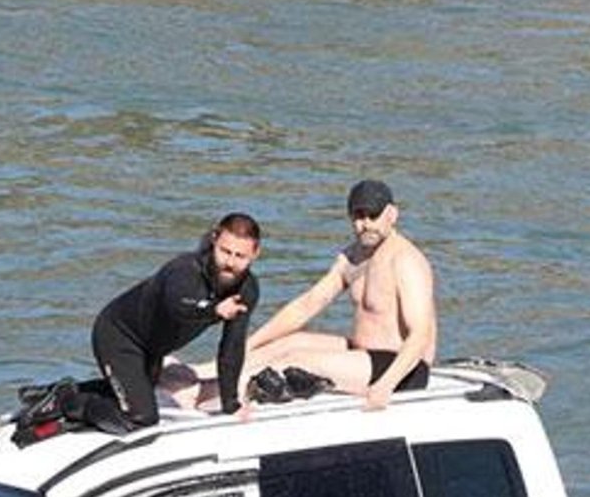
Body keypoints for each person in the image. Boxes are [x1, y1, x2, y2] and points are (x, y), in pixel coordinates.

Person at [243, 180, 435, 410]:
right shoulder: (352, 257)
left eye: (372, 216)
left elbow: (420, 334)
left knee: (294, 361)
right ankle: (205, 377)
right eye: (358, 216)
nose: (365, 225)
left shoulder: (405, 260)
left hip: (403, 369)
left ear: (392, 214)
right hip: (361, 356)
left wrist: (385, 385)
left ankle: (225, 396)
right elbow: (308, 304)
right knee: (285, 345)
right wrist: (248, 344)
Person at [70, 212, 261, 432]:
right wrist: (214, 310)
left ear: (255, 254)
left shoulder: (248, 289)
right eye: (225, 251)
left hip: (152, 350)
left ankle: (64, 391)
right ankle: (66, 402)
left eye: (240, 256)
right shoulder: (185, 270)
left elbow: (232, 348)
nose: (230, 263)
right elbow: (177, 306)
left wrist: (231, 405)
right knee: (142, 417)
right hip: (120, 337)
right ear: (214, 239)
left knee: (138, 391)